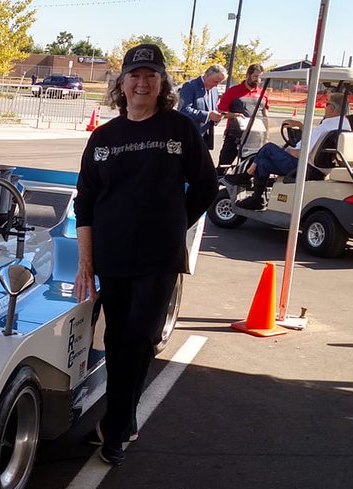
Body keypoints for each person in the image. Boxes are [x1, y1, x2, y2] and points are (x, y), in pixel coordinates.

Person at [74, 43, 218, 465]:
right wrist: (86, 262)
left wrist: (175, 223)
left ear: (162, 83)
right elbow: (86, 204)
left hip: (158, 259)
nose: (142, 83)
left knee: (138, 340)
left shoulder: (179, 129)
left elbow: (206, 186)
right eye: (134, 76)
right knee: (118, 340)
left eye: (151, 76)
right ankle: (122, 421)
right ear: (121, 84)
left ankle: (116, 430)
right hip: (113, 257)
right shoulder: (104, 138)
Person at [227, 94, 347, 210]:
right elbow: (314, 143)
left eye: (326, 104)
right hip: (320, 168)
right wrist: (300, 126)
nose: (325, 107)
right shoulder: (344, 124)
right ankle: (257, 198)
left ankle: (246, 176)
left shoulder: (326, 127)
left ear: (332, 108)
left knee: (268, 148)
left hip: (305, 167)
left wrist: (287, 150)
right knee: (263, 163)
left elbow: (302, 153)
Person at [217, 63, 269, 168]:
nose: (258, 80)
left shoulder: (263, 93)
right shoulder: (233, 91)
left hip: (255, 138)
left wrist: (266, 136)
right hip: (234, 136)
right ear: (247, 75)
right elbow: (220, 112)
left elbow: (265, 116)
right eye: (255, 76)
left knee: (248, 170)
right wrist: (234, 115)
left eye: (260, 78)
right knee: (223, 167)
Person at [177, 64, 227, 149]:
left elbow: (213, 109)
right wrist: (208, 115)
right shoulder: (190, 86)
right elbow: (183, 110)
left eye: (220, 82)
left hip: (205, 138)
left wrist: (217, 117)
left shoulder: (214, 90)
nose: (217, 85)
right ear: (207, 75)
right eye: (215, 81)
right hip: (189, 136)